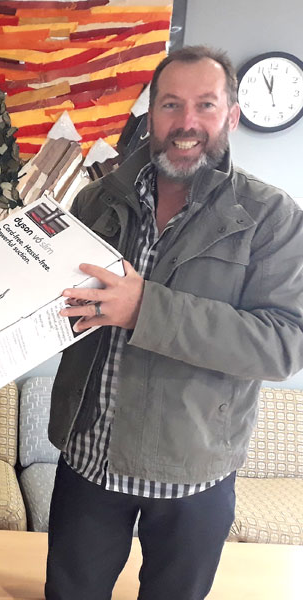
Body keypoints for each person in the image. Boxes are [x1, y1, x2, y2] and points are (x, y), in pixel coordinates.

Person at [48, 45, 303, 600]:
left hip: (194, 469)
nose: (186, 124)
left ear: (231, 116)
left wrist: (146, 310)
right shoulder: (98, 198)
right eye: (171, 105)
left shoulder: (271, 217)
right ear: (152, 114)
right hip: (89, 459)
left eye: (205, 106)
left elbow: (284, 344)